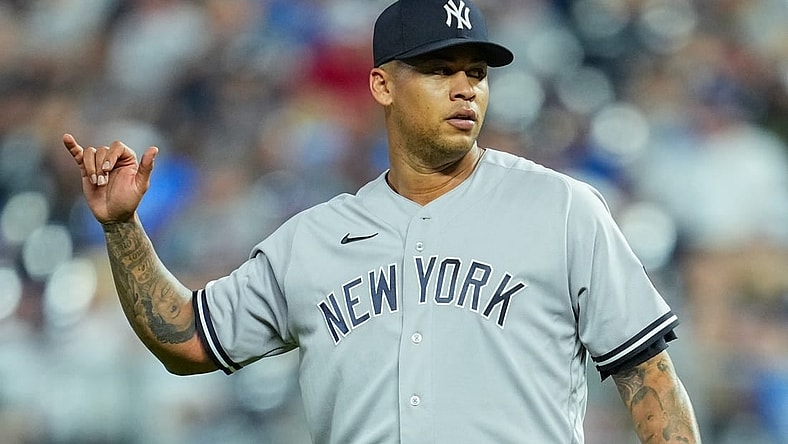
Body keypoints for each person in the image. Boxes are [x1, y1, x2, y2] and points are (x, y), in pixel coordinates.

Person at [62, 0, 702, 442]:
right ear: (381, 85)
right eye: (437, 70)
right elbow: (185, 339)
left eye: (475, 72)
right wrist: (123, 229)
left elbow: (649, 379)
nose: (465, 89)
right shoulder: (312, 241)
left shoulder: (562, 209)